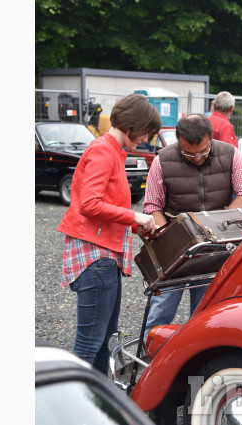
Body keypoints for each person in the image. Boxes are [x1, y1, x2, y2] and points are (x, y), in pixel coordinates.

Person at [57, 94, 162, 375]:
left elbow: (106, 205)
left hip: (102, 256)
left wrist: (138, 224)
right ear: (131, 126)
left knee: (104, 341)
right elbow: (90, 205)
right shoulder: (104, 151)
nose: (144, 139)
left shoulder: (112, 150)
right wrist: (134, 216)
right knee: (90, 344)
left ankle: (98, 404)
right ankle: (71, 409)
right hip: (96, 257)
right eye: (144, 133)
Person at [142, 114, 242, 342]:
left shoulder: (229, 153)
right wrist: (168, 239)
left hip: (214, 246)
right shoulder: (162, 159)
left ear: (211, 139)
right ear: (178, 142)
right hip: (176, 247)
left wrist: (219, 222)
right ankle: (150, 359)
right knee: (162, 310)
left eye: (203, 152)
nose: (197, 158)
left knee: (205, 311)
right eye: (189, 153)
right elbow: (152, 206)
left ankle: (196, 353)